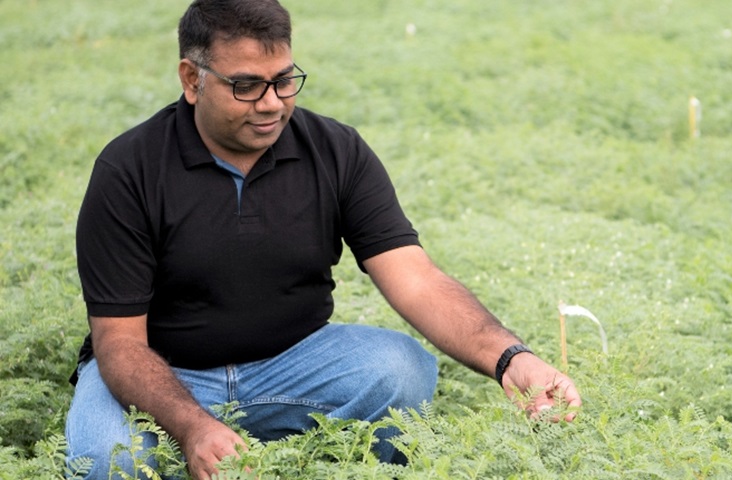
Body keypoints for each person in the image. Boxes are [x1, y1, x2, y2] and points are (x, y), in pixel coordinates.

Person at [64, 0, 581, 478]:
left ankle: (327, 461)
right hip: (165, 372)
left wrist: (513, 358)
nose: (271, 104)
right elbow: (120, 343)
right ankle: (210, 442)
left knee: (400, 371)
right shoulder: (129, 169)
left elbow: (417, 281)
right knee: (104, 460)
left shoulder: (336, 150)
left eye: (284, 80)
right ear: (192, 80)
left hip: (294, 366)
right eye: (246, 86)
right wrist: (189, 423)